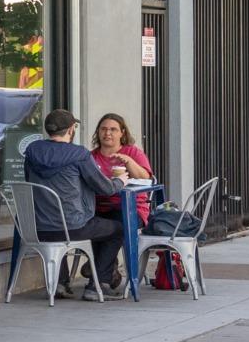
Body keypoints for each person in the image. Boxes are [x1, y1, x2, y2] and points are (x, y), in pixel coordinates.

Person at [22, 108, 127, 300]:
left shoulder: (32, 152)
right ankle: (97, 286)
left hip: (37, 228)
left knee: (57, 220)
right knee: (118, 229)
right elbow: (105, 188)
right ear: (71, 130)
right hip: (73, 227)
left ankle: (61, 283)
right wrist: (121, 182)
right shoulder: (79, 154)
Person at [90, 112, 153, 227]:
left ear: (122, 133)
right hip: (96, 208)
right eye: (103, 129)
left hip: (128, 208)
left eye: (113, 129)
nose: (107, 133)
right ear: (98, 132)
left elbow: (145, 179)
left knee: (112, 230)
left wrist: (128, 161)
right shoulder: (90, 157)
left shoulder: (133, 152)